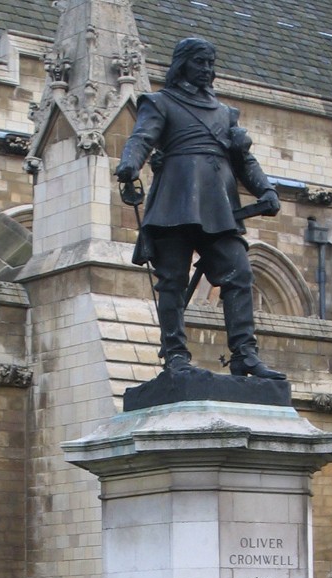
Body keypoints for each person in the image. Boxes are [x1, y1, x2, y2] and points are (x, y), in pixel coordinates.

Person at [115, 37, 286, 379]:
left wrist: (265, 189)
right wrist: (129, 164)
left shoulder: (224, 114)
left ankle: (244, 354)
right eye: (199, 63)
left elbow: (243, 160)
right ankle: (175, 356)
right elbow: (141, 138)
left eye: (211, 63)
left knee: (239, 273)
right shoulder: (160, 102)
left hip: (219, 205)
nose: (207, 70)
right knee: (172, 282)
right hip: (175, 200)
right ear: (182, 65)